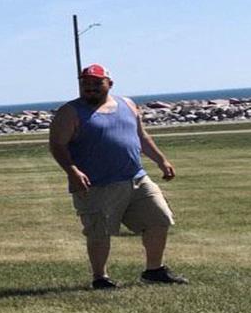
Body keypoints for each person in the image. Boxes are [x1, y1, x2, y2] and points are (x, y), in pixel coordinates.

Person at [48, 63, 188, 289]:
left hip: (136, 178)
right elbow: (57, 145)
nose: (91, 88)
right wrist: (72, 170)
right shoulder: (70, 112)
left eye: (96, 83)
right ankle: (100, 278)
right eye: (86, 84)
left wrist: (161, 160)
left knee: (159, 218)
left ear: (109, 84)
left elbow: (141, 136)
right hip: (96, 185)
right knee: (99, 232)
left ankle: (154, 270)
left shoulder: (128, 104)